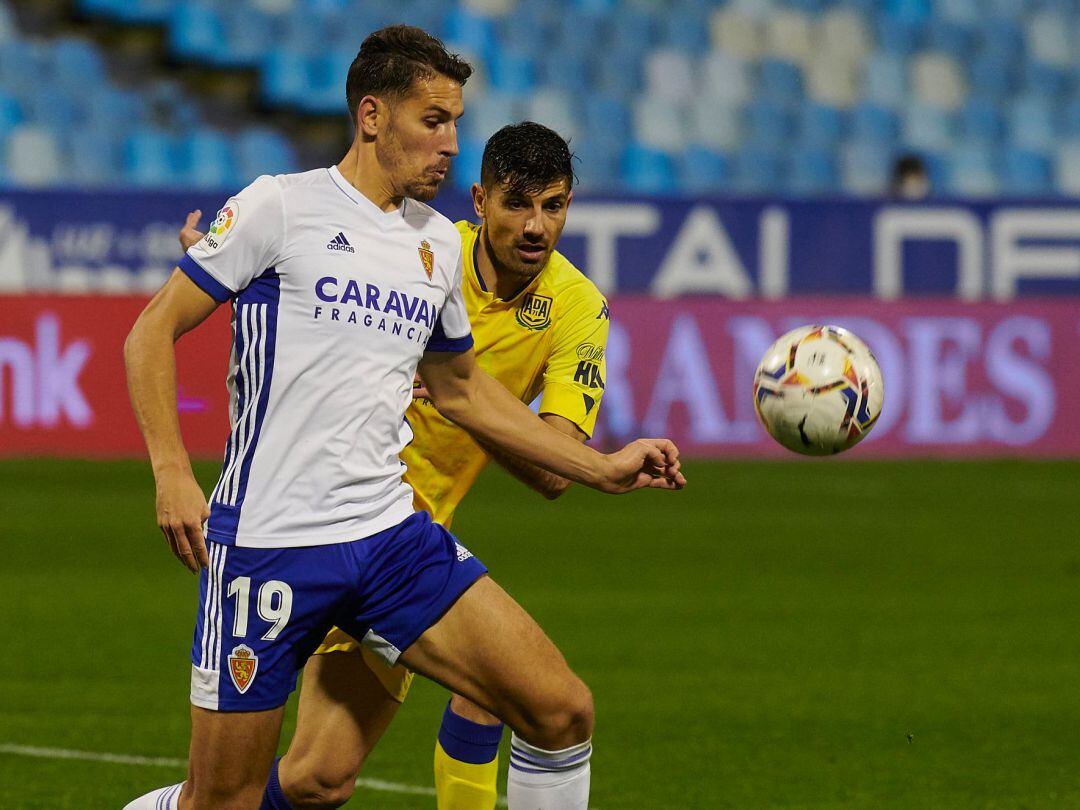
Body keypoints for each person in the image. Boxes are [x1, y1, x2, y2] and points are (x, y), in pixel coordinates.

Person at [123, 25, 683, 810]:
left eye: (455, 122)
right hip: (270, 543)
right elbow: (149, 332)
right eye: (433, 120)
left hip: (389, 535)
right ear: (374, 116)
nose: (451, 143)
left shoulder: (432, 248)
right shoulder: (278, 207)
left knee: (560, 711)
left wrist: (601, 465)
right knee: (243, 795)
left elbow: (460, 389)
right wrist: (174, 473)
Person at [174, 120, 610, 810]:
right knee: (296, 779)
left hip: (402, 544)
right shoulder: (418, 250)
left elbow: (553, 464)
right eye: (517, 204)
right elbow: (310, 275)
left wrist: (453, 388)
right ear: (480, 201)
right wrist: (238, 262)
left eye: (552, 206)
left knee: (324, 778)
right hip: (309, 524)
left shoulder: (579, 307)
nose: (535, 226)